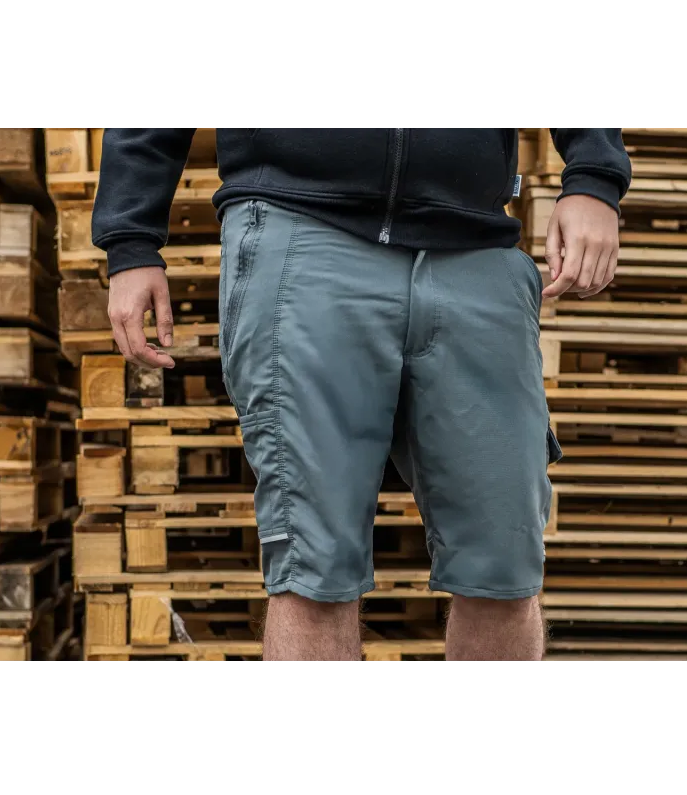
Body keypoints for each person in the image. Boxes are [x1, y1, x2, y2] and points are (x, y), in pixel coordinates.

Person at [92, 125, 631, 662]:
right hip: (301, 226)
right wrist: (131, 240)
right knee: (314, 572)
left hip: (476, 242)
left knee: (505, 571)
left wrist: (593, 175)